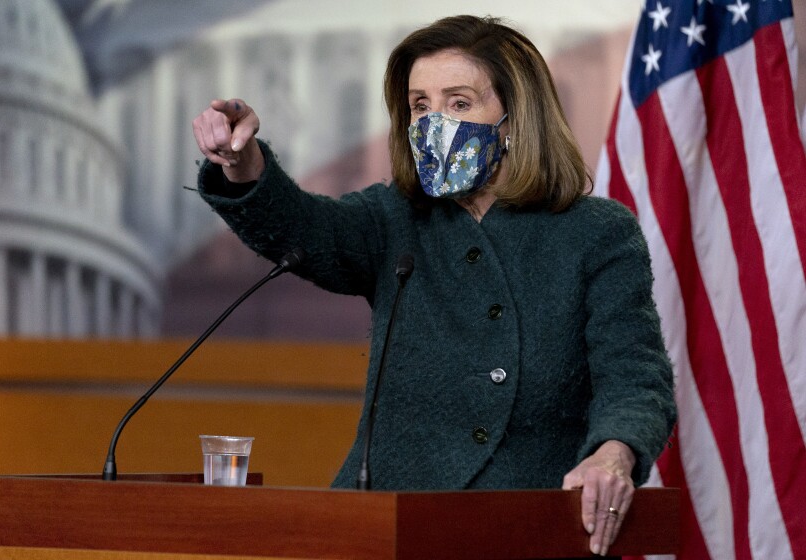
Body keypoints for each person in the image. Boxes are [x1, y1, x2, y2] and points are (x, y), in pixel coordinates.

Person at [192, 15, 676, 558]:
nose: (434, 122)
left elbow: (636, 378)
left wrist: (613, 453)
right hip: (386, 524)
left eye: (460, 103)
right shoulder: (393, 217)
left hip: (531, 523)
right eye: (421, 106)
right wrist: (244, 163)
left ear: (515, 118)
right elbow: (305, 228)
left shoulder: (597, 233)